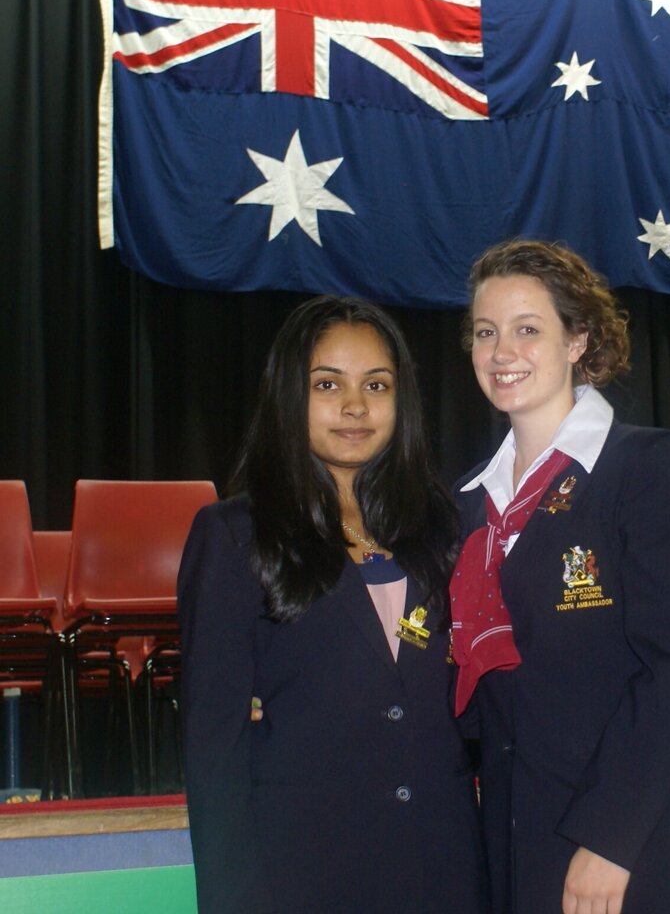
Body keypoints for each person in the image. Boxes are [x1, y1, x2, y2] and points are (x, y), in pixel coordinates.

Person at [178, 296, 489, 914]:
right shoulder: (235, 534)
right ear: (289, 395)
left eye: (377, 384)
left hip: (446, 869)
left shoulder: (445, 528)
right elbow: (215, 750)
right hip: (305, 875)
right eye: (328, 384)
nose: (355, 406)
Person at [450, 241, 670, 914]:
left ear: (578, 339)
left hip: (629, 844)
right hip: (516, 841)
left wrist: (612, 838)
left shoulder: (647, 469)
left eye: (527, 329)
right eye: (485, 333)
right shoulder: (466, 505)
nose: (500, 351)